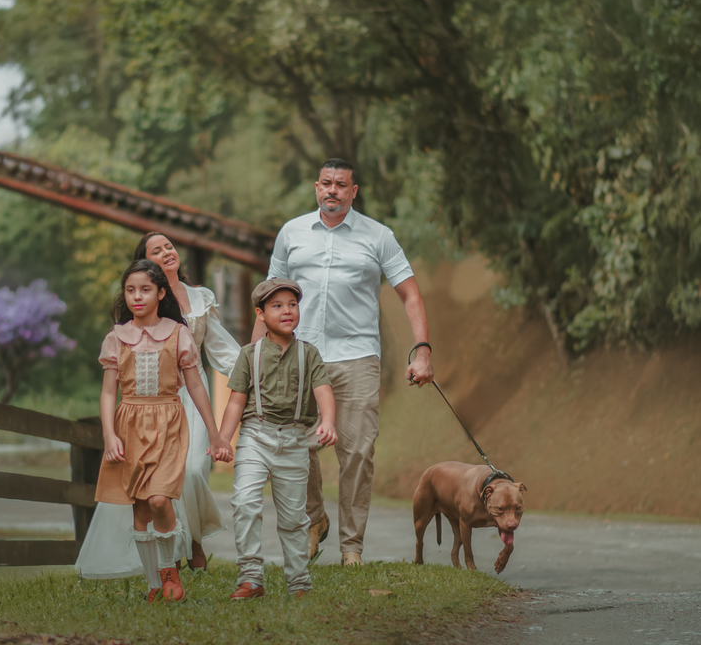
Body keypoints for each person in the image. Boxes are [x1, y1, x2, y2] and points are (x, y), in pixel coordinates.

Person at [255, 158, 435, 567]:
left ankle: (351, 547)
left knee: (357, 452)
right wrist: (255, 362)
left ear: (354, 192)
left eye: (341, 184)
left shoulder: (379, 236)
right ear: (315, 187)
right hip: (296, 356)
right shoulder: (292, 233)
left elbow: (410, 294)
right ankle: (314, 519)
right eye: (326, 183)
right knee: (294, 445)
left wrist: (421, 350)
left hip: (356, 357)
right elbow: (267, 301)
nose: (332, 190)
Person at [75, 233, 240, 577]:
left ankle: (192, 538)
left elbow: (221, 349)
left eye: (169, 246)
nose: (166, 252)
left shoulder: (199, 298)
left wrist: (256, 372)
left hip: (191, 398)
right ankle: (171, 560)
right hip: (145, 405)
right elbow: (113, 382)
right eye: (156, 250)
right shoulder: (134, 316)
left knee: (193, 470)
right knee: (151, 487)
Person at [218, 278, 337, 599]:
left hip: (296, 439)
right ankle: (251, 577)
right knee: (244, 502)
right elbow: (235, 402)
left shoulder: (309, 354)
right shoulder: (249, 354)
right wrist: (223, 439)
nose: (287, 311)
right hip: (255, 435)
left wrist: (328, 421)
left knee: (294, 516)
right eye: (277, 306)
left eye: (292, 304)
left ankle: (298, 581)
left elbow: (323, 390)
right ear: (260, 314)